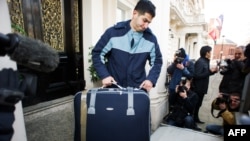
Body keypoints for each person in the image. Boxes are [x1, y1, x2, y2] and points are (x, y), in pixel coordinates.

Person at [92, 1, 162, 92]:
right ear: (135, 13)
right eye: (144, 20)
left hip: (138, 91)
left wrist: (150, 79)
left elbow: (157, 61)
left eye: (149, 22)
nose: (146, 26)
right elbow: (97, 54)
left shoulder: (151, 39)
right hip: (114, 90)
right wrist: (104, 75)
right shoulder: (113, 33)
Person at [192, 45, 218, 123]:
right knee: (196, 105)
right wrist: (209, 72)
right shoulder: (200, 62)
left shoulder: (205, 61)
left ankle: (195, 119)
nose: (211, 53)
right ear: (207, 53)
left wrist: (212, 72)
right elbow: (196, 75)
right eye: (210, 52)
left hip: (202, 87)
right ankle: (192, 120)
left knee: (198, 104)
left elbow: (205, 74)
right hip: (198, 88)